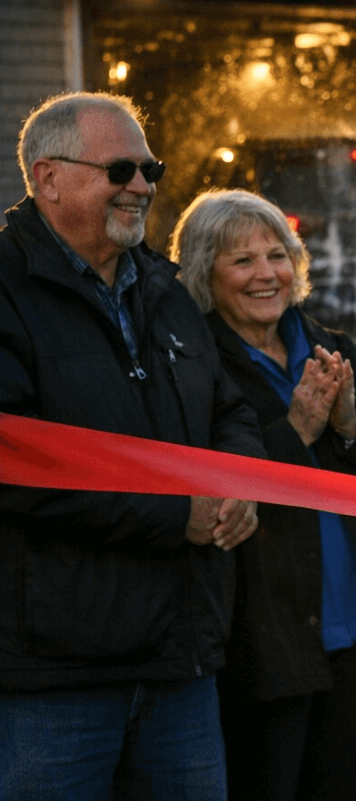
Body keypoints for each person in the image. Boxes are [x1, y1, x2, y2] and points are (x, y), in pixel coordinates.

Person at [0, 92, 266, 800]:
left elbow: (228, 411)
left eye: (151, 168)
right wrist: (174, 513)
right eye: (121, 169)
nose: (143, 186)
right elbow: (14, 465)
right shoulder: (5, 287)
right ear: (46, 177)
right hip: (54, 682)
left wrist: (240, 483)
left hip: (181, 665)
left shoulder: (163, 285)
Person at [168, 189, 356, 801]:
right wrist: (294, 432)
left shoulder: (329, 346)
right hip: (262, 638)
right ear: (204, 272)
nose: (266, 274)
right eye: (242, 261)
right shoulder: (195, 360)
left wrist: (349, 422)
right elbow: (214, 485)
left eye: (277, 255)